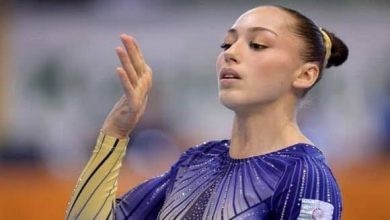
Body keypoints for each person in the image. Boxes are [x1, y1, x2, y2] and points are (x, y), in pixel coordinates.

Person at [65, 5, 348, 220]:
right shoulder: (198, 162)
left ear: (306, 74)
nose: (230, 53)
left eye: (258, 44)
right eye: (226, 44)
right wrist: (116, 131)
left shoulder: (305, 176)